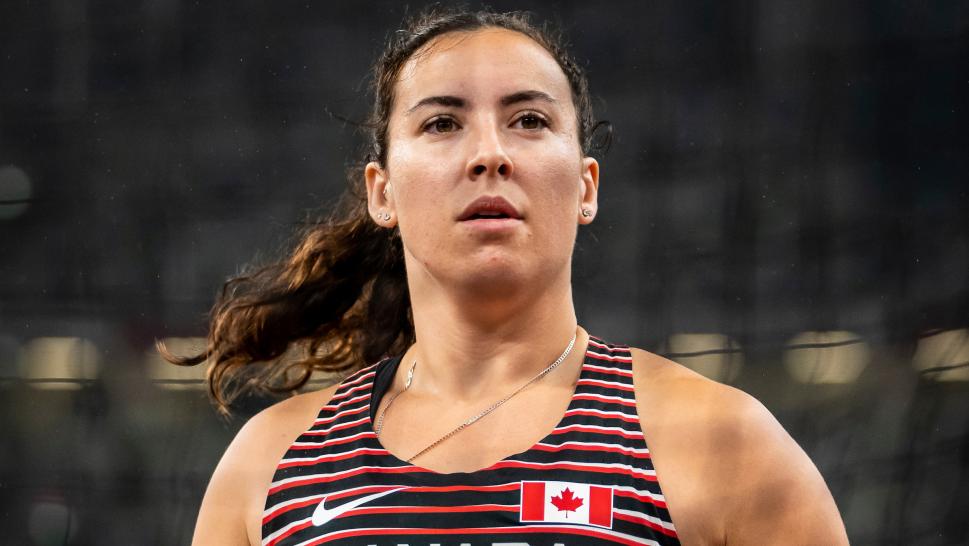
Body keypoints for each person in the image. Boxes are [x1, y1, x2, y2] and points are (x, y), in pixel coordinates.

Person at [163, 8, 849, 546]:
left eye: (528, 120)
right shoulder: (270, 465)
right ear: (383, 193)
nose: (489, 153)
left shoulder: (717, 440)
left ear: (585, 187)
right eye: (441, 123)